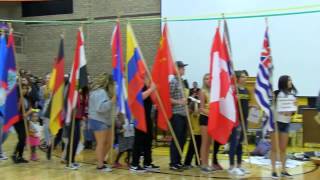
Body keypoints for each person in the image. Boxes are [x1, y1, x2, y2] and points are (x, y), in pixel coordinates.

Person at [130, 80, 159, 173]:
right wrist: (152, 89)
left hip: (147, 118)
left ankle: (147, 163)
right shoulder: (138, 85)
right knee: (138, 141)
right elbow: (140, 97)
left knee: (148, 140)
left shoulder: (148, 86)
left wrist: (153, 90)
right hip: (139, 117)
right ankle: (134, 164)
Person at [271, 75, 297, 179]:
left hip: (286, 124)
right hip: (275, 123)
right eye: (289, 80)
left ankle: (283, 170)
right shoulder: (276, 94)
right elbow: (272, 108)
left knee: (283, 148)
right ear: (283, 82)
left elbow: (293, 112)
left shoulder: (292, 96)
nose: (291, 81)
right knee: (274, 148)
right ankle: (273, 171)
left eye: (291, 79)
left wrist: (294, 108)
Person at [88, 73, 115, 172]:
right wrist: (112, 101)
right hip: (98, 120)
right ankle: (100, 165)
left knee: (109, 142)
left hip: (104, 120)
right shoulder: (100, 92)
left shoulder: (103, 92)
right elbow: (100, 108)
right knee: (101, 143)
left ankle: (101, 160)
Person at [228, 70, 250, 176]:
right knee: (234, 143)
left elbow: (246, 105)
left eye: (245, 76)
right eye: (243, 76)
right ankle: (231, 166)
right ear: (237, 78)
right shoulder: (234, 90)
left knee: (240, 143)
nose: (245, 78)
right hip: (236, 121)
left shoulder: (246, 90)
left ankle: (239, 166)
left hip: (244, 121)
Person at [169, 61, 188, 171]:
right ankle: (173, 162)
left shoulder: (182, 82)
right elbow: (168, 98)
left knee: (182, 139)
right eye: (182, 68)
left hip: (183, 114)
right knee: (176, 139)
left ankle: (178, 161)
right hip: (176, 114)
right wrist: (179, 102)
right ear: (177, 69)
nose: (184, 69)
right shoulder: (173, 82)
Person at [65, 88, 88, 170]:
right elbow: (69, 105)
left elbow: (84, 107)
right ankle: (68, 161)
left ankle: (72, 160)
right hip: (71, 119)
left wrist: (84, 116)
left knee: (76, 140)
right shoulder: (74, 92)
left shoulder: (83, 94)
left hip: (78, 119)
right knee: (72, 140)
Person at [12, 83, 33, 163]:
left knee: (23, 139)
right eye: (23, 88)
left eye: (26, 88)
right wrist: (20, 101)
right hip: (18, 122)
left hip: (25, 121)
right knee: (21, 138)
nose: (24, 90)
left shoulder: (28, 98)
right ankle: (14, 154)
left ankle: (20, 156)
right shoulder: (16, 98)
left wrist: (29, 112)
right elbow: (16, 111)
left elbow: (32, 108)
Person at [198, 73, 213, 173]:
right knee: (204, 142)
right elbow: (201, 108)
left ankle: (207, 163)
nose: (208, 80)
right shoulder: (202, 92)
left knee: (209, 143)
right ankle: (203, 164)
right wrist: (211, 113)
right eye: (206, 79)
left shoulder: (214, 92)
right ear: (204, 81)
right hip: (205, 118)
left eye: (209, 78)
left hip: (212, 119)